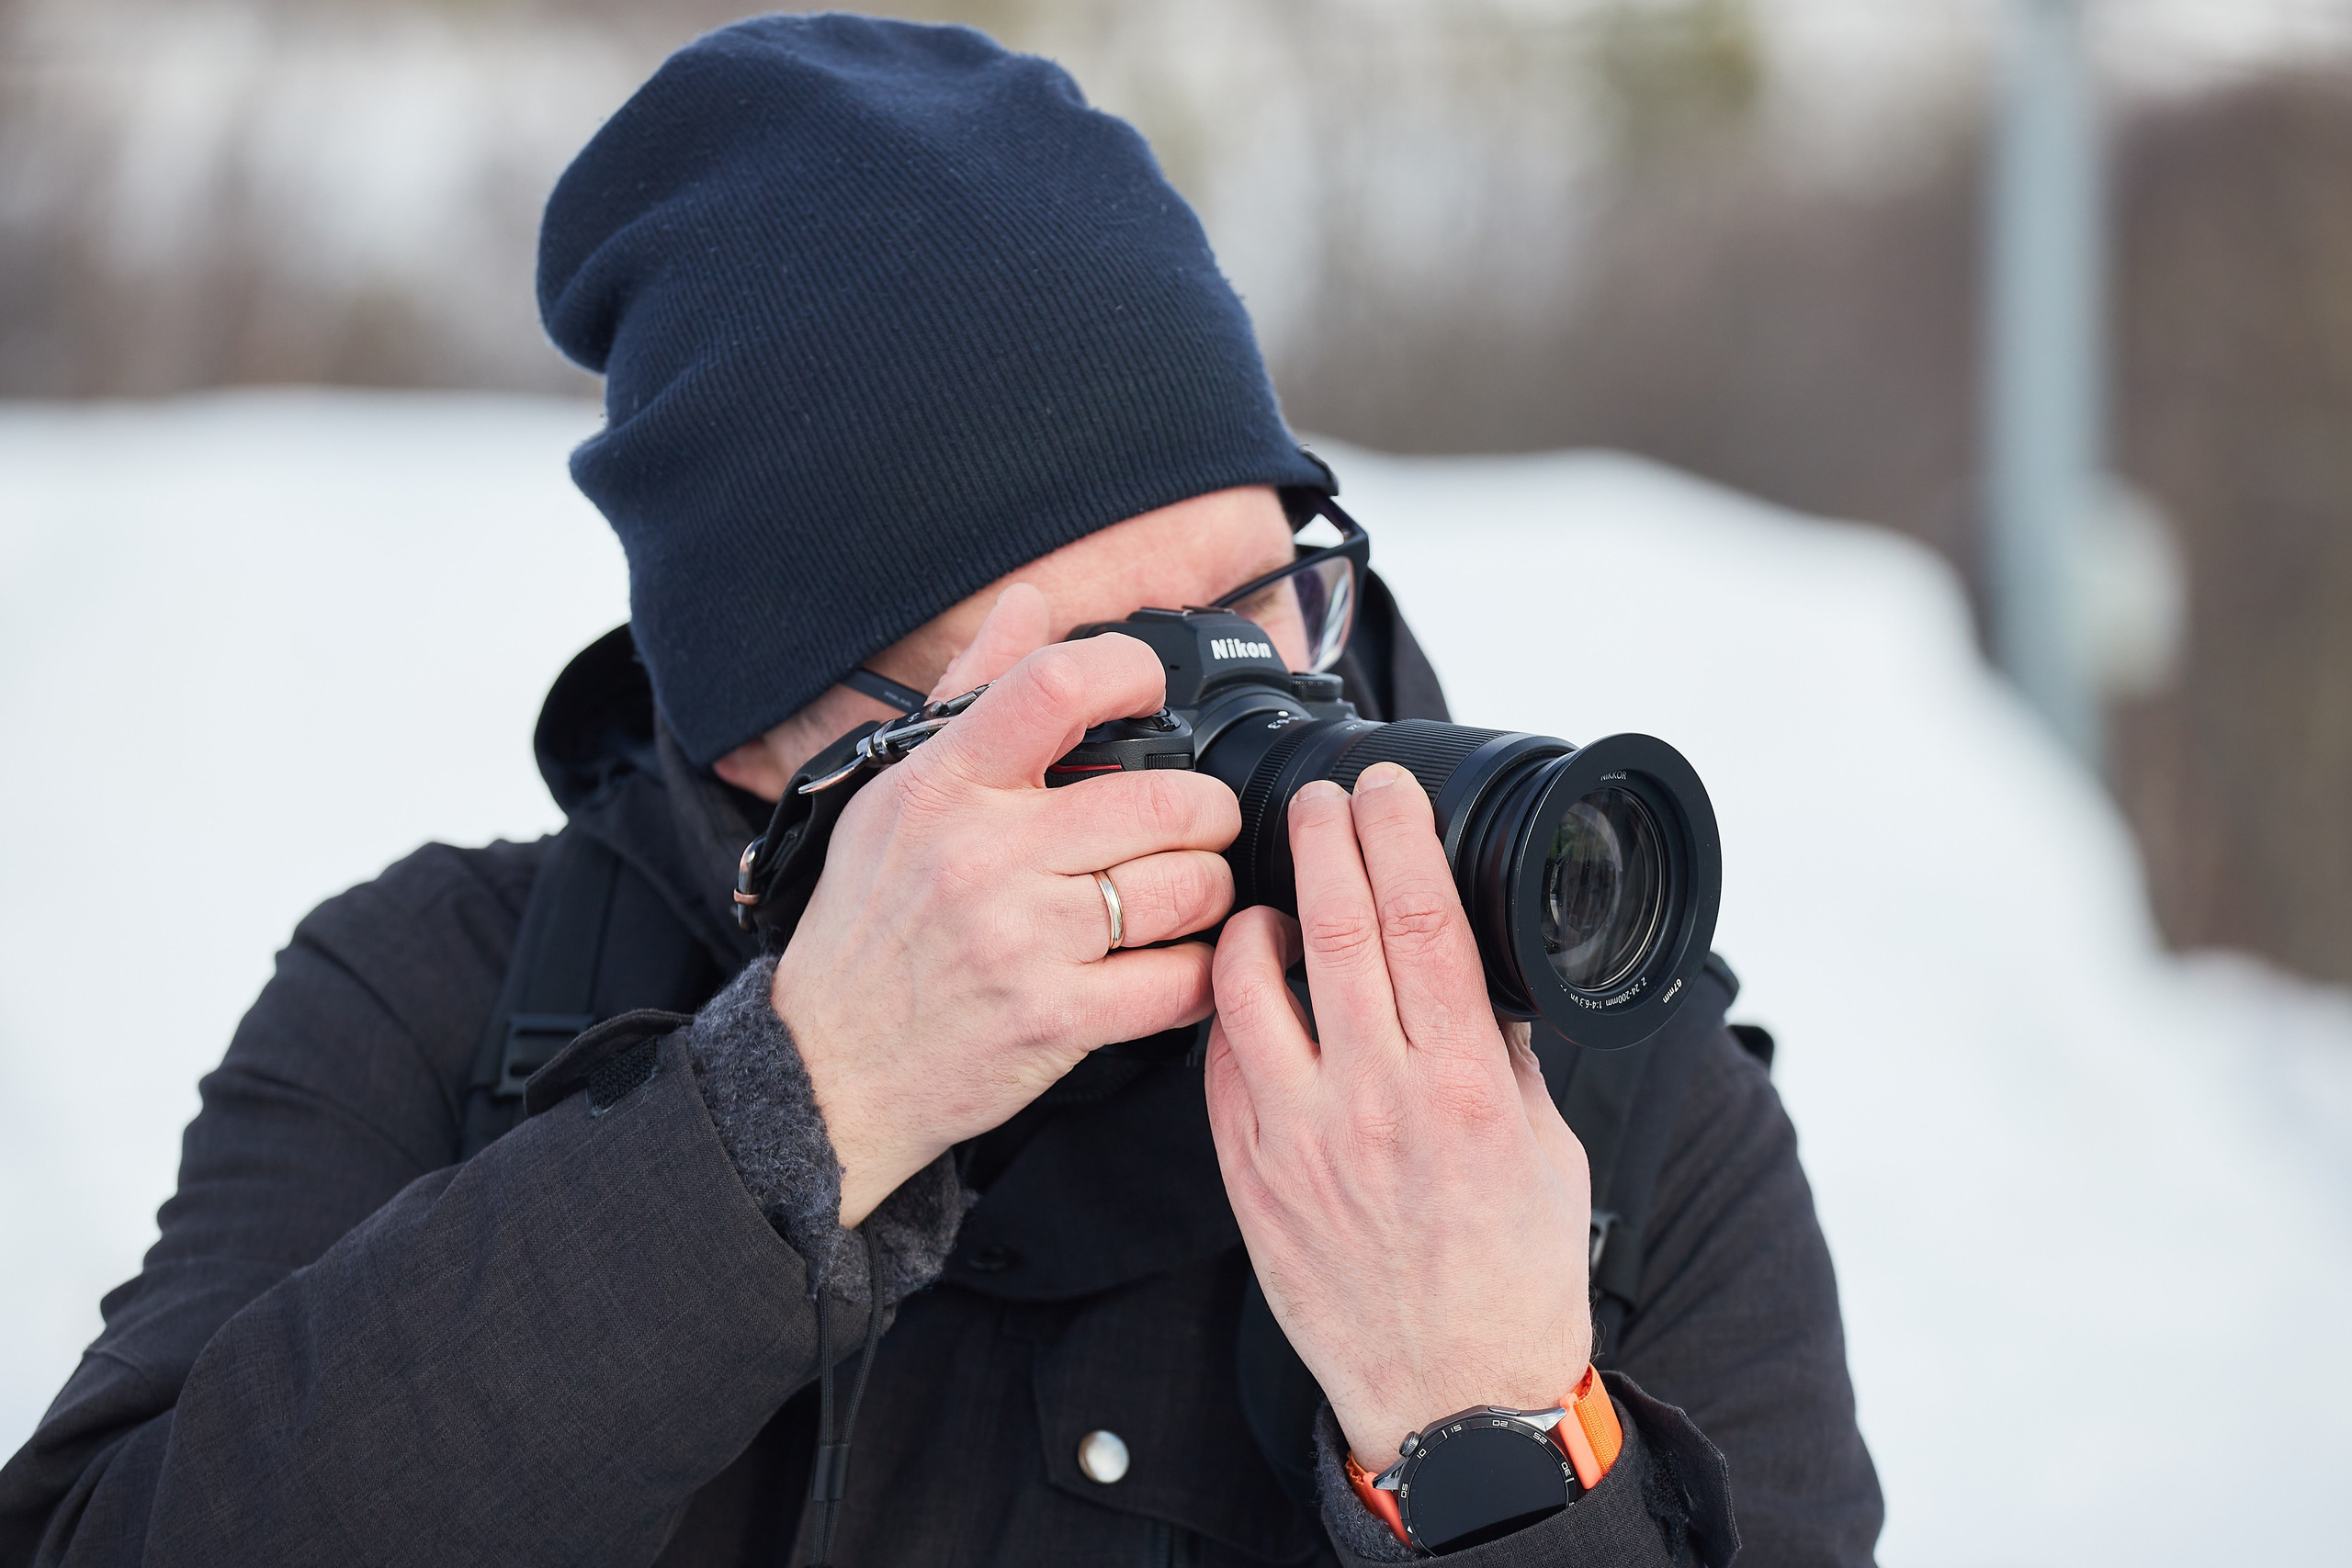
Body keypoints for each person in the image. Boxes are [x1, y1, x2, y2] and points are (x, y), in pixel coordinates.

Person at [0, 16, 1882, 1566]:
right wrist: (781, 1121)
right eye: (1104, 667)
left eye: (1254, 592)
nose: (1246, 698)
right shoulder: (441, 1008)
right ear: (774, 742)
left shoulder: (1593, 1106)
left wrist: (1487, 1430)